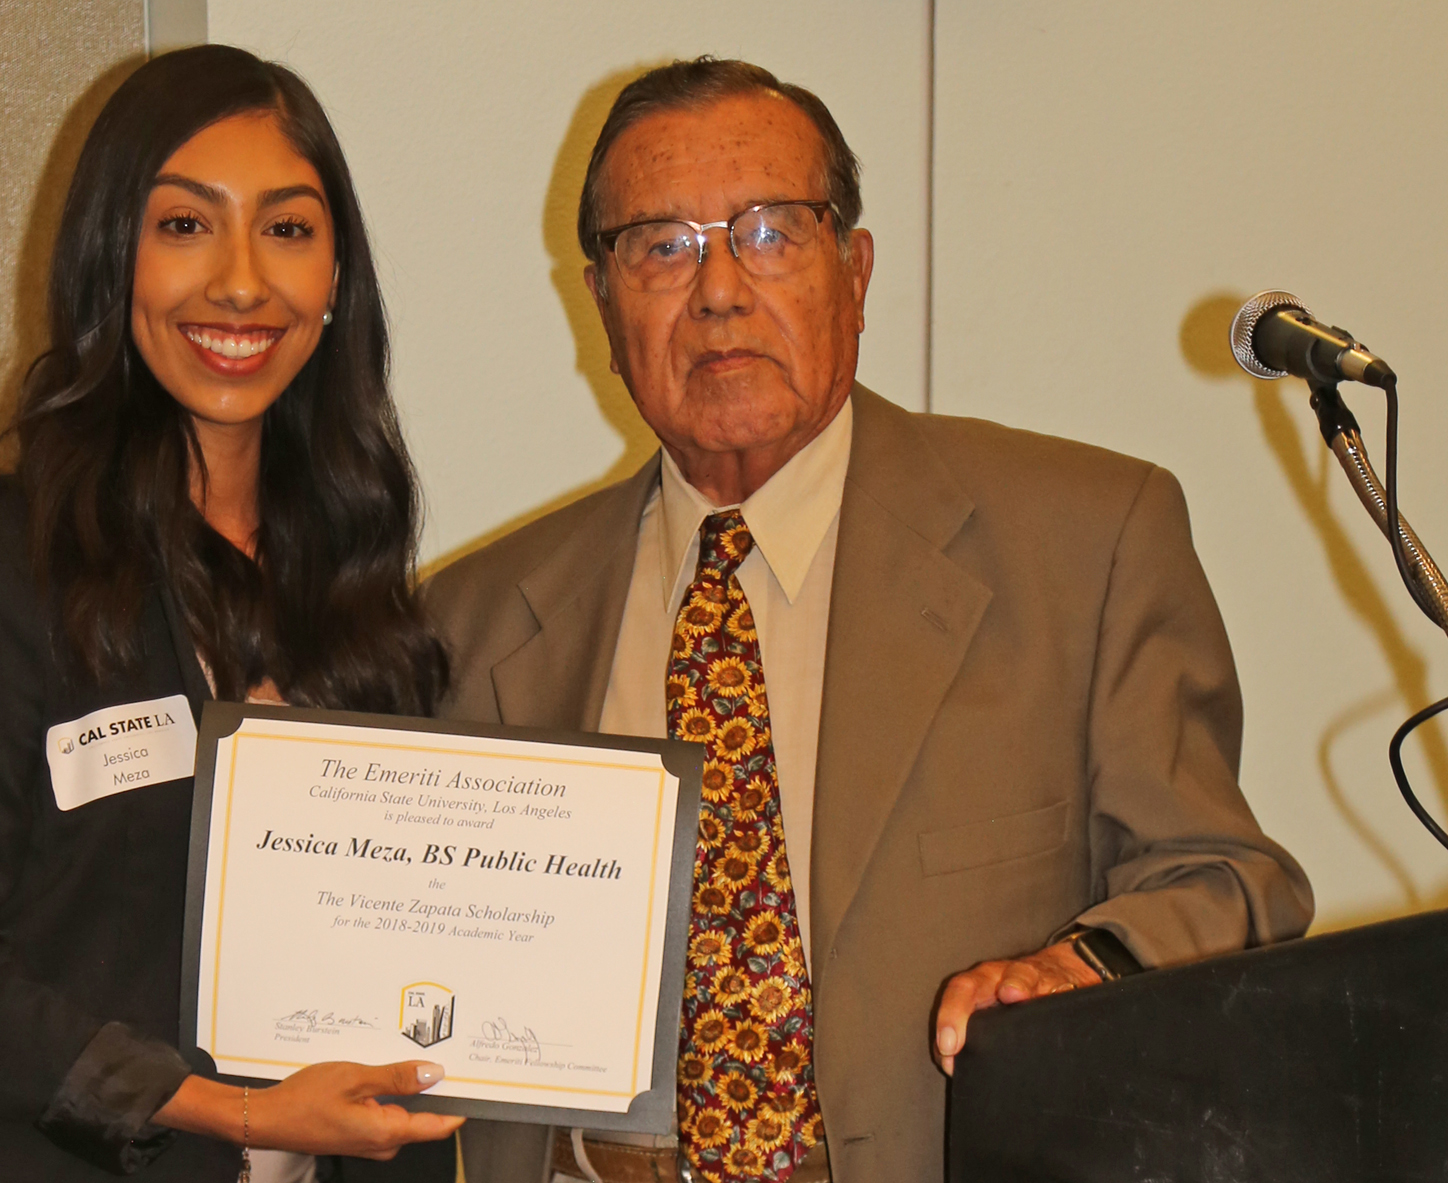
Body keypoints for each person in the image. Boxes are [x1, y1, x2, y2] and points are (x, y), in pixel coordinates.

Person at [423, 58, 1313, 1183]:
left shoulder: (1087, 541)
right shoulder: (474, 620)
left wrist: (1082, 965)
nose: (718, 292)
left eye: (770, 233)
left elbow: (1229, 879)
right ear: (601, 305)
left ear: (856, 271)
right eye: (663, 246)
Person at [0, 46, 462, 1182]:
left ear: (337, 278)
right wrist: (231, 1113)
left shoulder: (359, 588)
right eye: (185, 226)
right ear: (111, 262)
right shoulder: (0, 566)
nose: (241, 283)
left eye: (288, 230)